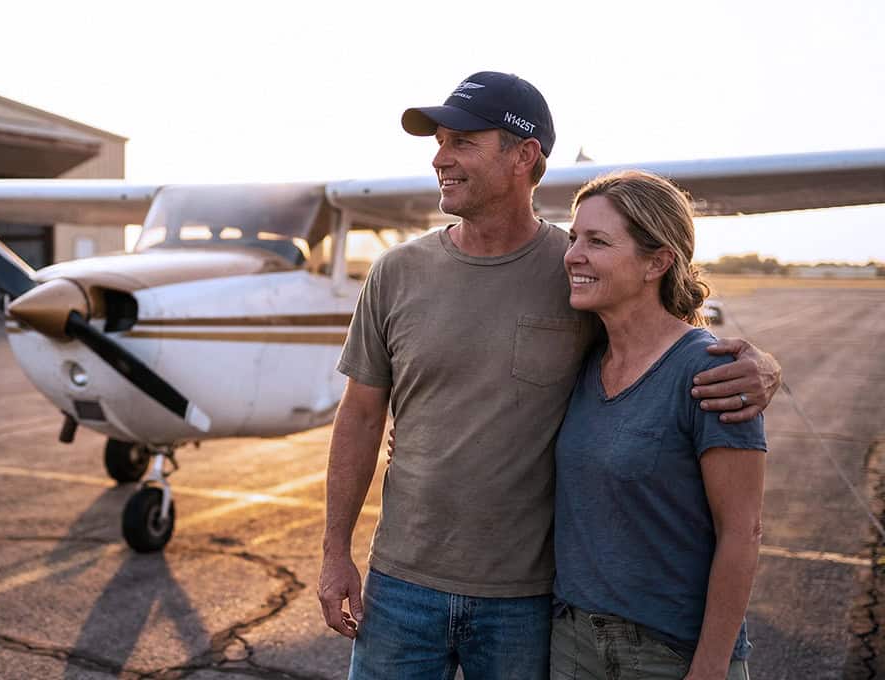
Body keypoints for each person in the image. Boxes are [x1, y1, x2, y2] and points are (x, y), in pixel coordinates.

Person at [317, 71, 780, 679]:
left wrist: (762, 367)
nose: (439, 158)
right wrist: (334, 555)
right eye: (439, 141)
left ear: (523, 156)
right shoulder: (396, 272)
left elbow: (663, 335)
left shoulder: (579, 270)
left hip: (528, 599)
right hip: (402, 584)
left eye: (461, 142)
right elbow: (358, 417)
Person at [552, 171, 766, 679]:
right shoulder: (582, 360)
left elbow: (742, 531)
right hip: (574, 646)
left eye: (597, 241)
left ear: (657, 262)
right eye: (573, 237)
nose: (573, 255)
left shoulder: (709, 370)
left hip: (671, 655)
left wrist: (711, 667)